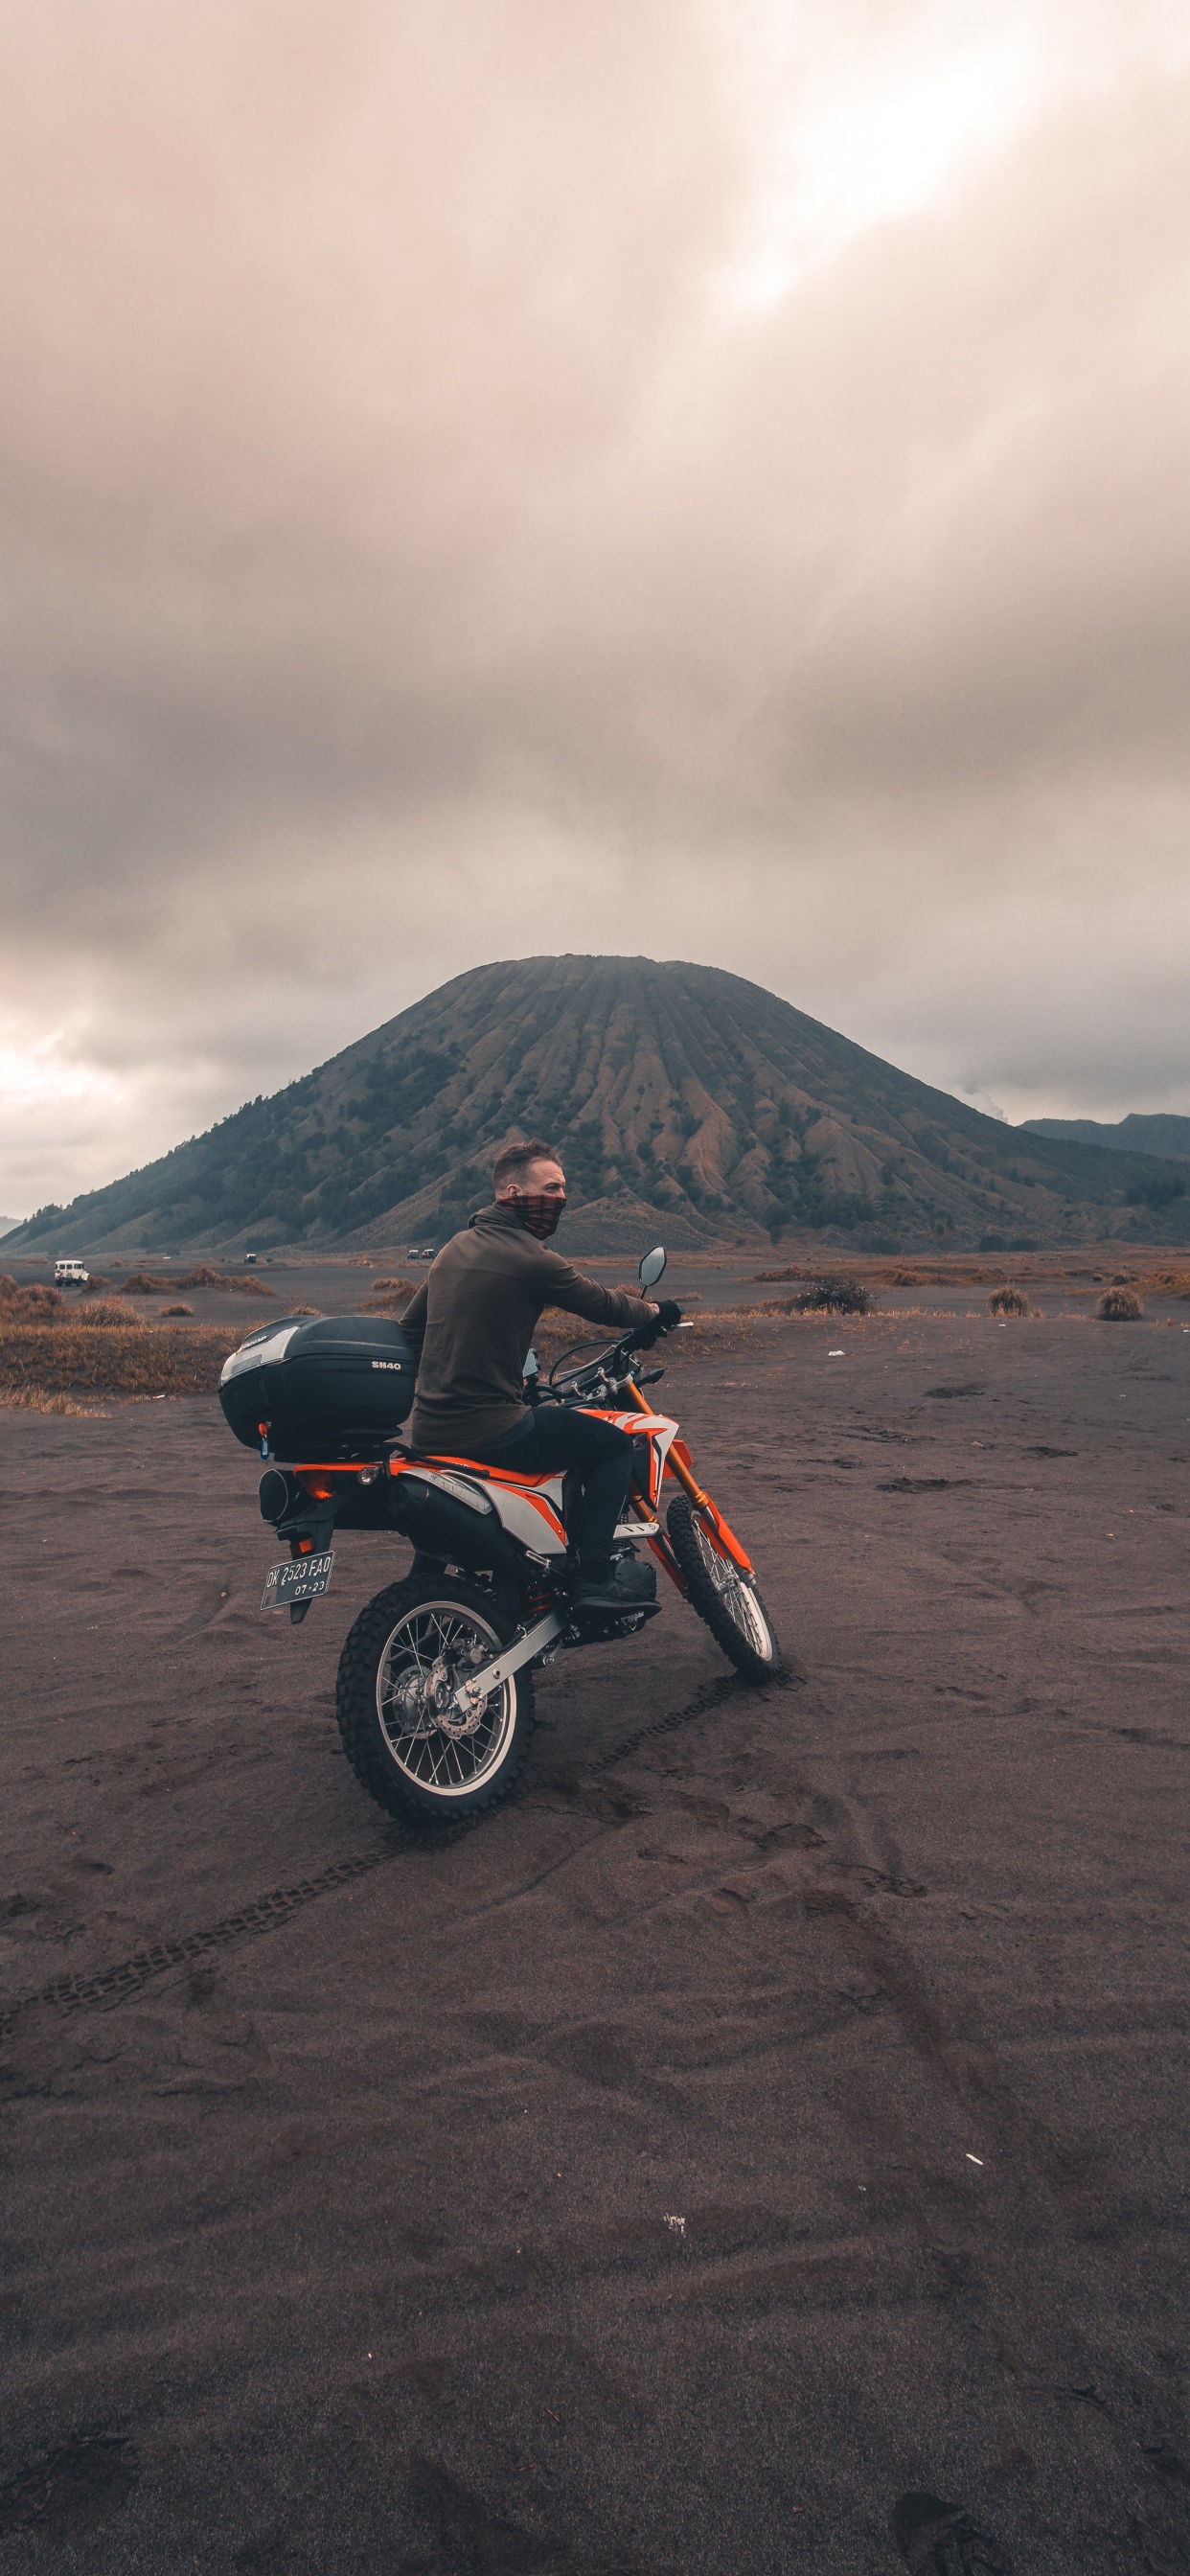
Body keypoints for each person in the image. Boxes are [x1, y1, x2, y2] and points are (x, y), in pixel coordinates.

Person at [399, 1138, 681, 1612]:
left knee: (436, 1545)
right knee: (614, 1446)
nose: (560, 1201)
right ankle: (594, 1579)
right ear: (512, 1192)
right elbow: (602, 1303)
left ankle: (419, 1608)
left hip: (429, 1432)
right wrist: (656, 1310)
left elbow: (409, 1333)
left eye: (564, 1190)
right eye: (551, 1189)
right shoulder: (527, 1256)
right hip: (490, 1429)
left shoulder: (453, 1249)